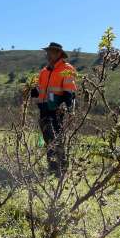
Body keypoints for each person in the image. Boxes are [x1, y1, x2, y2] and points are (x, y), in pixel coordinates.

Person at [31, 42, 77, 176]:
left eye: (50, 52)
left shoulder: (67, 68)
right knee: (48, 139)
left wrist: (70, 110)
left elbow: (70, 92)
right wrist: (33, 91)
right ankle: (52, 168)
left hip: (57, 110)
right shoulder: (44, 71)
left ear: (58, 53)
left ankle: (61, 169)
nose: (47, 54)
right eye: (47, 52)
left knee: (56, 138)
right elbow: (39, 89)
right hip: (44, 109)